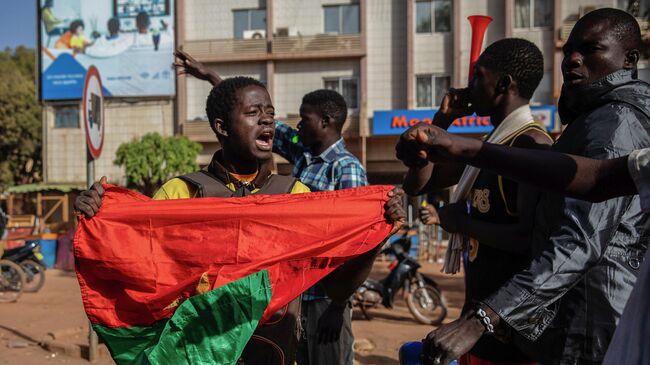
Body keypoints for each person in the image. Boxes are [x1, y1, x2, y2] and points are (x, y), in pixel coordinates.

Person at [75, 76, 406, 365]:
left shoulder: (296, 197)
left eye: (270, 114)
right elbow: (136, 267)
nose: (267, 121)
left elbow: (335, 288)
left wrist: (373, 237)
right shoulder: (182, 193)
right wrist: (100, 217)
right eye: (253, 113)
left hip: (275, 353)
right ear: (221, 127)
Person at [403, 8, 649, 365]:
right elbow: (418, 183)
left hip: (577, 322)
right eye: (569, 51)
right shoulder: (571, 126)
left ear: (628, 59)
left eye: (590, 49)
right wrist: (441, 124)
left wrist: (484, 316)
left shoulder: (594, 127)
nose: (573, 59)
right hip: (531, 319)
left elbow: (569, 239)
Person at [174, 49, 371, 365]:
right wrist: (212, 77)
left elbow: (355, 242)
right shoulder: (302, 155)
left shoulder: (345, 168)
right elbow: (242, 112)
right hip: (294, 297)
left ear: (325, 122)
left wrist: (339, 306)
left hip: (324, 298)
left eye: (303, 120)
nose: (293, 127)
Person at [399, 38, 553, 365]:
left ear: (502, 84)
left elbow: (530, 240)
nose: (468, 88)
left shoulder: (530, 144)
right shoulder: (491, 146)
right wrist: (442, 120)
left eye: (476, 78)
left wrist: (462, 222)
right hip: (475, 327)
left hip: (507, 336)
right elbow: (417, 184)